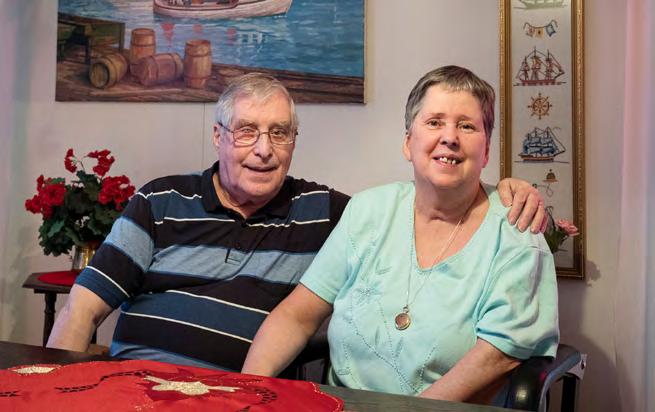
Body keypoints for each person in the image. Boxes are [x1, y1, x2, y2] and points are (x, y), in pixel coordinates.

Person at [47, 72, 548, 372]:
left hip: (241, 396)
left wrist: (504, 191)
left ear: (294, 141)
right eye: (247, 132)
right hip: (136, 384)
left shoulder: (330, 211)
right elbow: (79, 313)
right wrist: (57, 389)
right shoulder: (161, 199)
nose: (264, 150)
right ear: (218, 137)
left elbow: (426, 200)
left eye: (280, 133)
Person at [242, 66, 559, 404]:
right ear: (408, 143)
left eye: (466, 126)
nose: (449, 137)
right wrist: (245, 393)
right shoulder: (368, 209)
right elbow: (296, 316)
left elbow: (497, 357)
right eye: (434, 122)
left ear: (486, 150)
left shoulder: (515, 230)